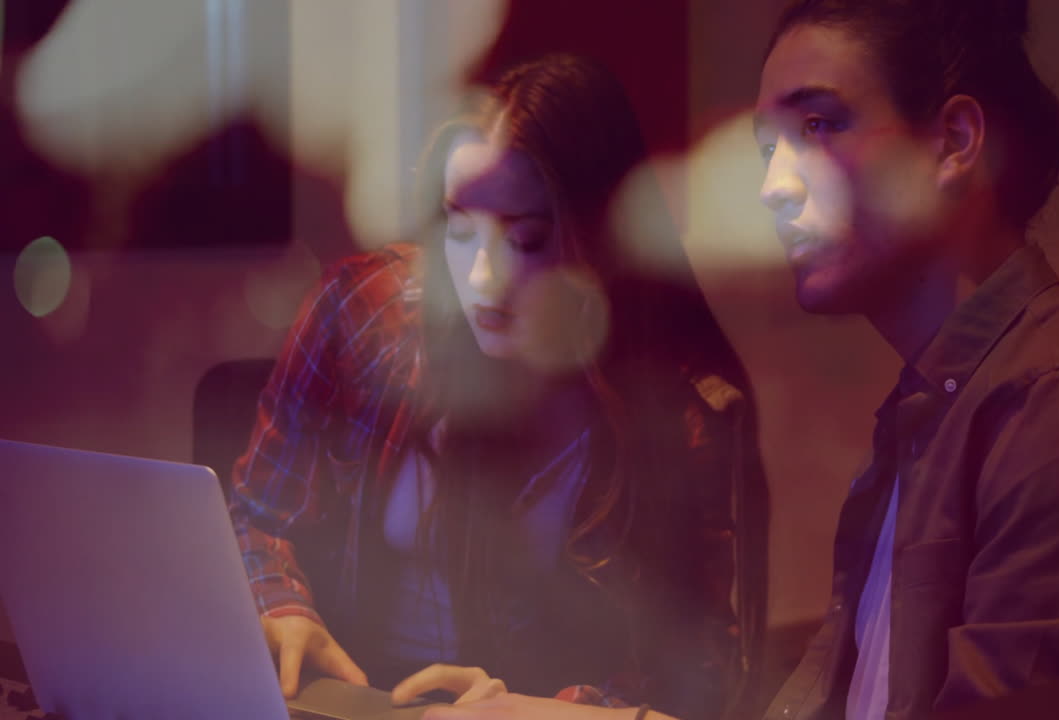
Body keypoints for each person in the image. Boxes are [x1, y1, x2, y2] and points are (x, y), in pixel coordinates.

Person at [412, 1, 1059, 719]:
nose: (772, 182)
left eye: (818, 125)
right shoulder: (936, 408)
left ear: (954, 142)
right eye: (768, 144)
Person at [228, 53, 768, 720]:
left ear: (600, 237)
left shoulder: (677, 413)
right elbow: (259, 513)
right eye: (459, 227)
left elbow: (698, 674)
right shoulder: (362, 309)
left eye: (529, 239)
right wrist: (281, 603)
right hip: (356, 703)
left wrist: (548, 709)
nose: (481, 277)